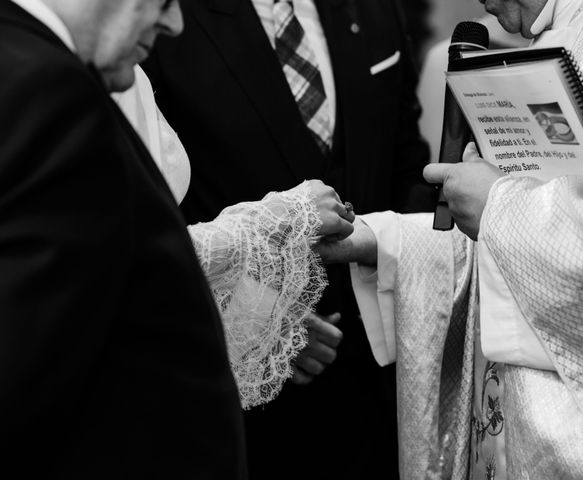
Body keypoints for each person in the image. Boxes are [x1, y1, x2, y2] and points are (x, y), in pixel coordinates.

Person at [0, 0, 349, 476]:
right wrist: (270, 219)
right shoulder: (44, 82)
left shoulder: (87, 67)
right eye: (163, 0)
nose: (176, 22)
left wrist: (255, 311)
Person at [321, 0, 583, 478]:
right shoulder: (556, 29)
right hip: (513, 418)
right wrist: (379, 241)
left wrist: (497, 206)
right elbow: (502, 246)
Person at [142, 0, 436, 478]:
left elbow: (405, 163)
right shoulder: (164, 18)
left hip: (383, 373)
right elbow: (153, 213)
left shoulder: (376, 8)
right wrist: (259, 322)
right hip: (248, 403)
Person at [112, 67, 355, 408]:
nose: (173, 22)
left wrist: (261, 318)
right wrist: (274, 218)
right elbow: (112, 262)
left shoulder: (124, 68)